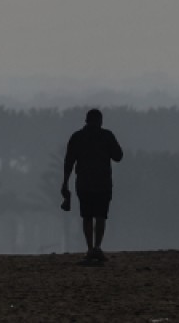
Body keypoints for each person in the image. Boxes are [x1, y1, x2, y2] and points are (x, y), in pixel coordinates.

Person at [61, 108, 123, 262]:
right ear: (100, 121)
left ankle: (90, 249)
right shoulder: (106, 136)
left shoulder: (77, 137)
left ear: (86, 120)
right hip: (102, 183)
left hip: (84, 184)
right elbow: (118, 156)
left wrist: (65, 183)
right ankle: (97, 247)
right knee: (100, 216)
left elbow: (69, 162)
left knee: (87, 216)